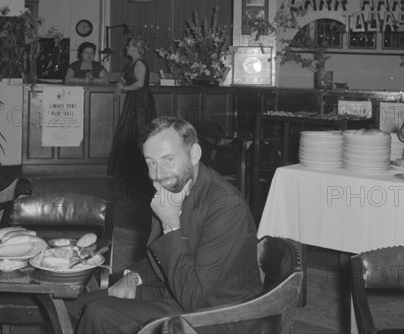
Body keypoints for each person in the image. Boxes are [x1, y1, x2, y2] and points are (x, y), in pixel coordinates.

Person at [67, 116, 262, 334]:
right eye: (151, 162)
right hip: (173, 288)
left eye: (168, 159)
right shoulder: (172, 189)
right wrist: (135, 277)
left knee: (99, 313)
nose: (157, 174)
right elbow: (160, 256)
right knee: (75, 306)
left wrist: (170, 222)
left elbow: (193, 297)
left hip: (218, 313)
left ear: (194, 154)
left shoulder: (226, 205)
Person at [107, 37, 156, 180]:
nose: (126, 48)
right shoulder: (132, 63)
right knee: (131, 131)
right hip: (134, 98)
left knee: (140, 130)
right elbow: (122, 78)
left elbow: (140, 84)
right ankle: (132, 170)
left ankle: (140, 171)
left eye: (128, 46)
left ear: (135, 48)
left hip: (141, 100)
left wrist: (123, 88)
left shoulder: (140, 63)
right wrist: (119, 85)